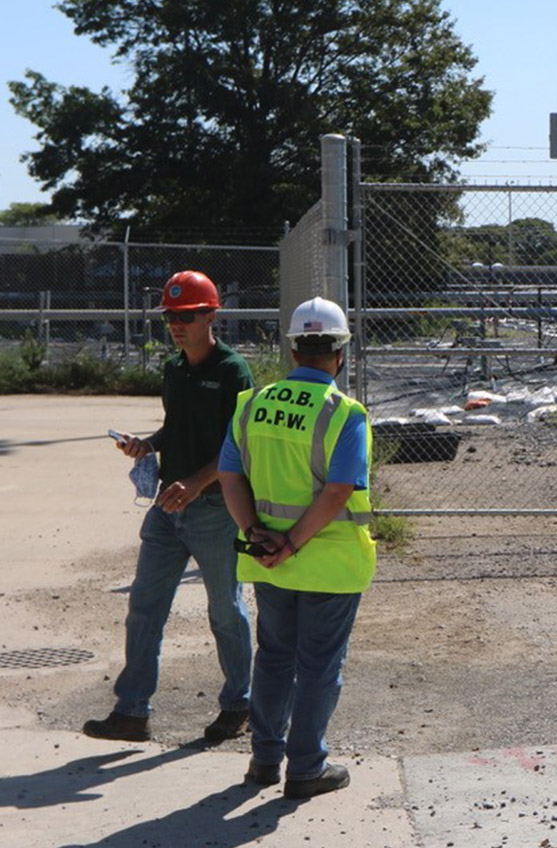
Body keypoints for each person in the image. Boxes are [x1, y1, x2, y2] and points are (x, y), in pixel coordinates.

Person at [85, 271, 255, 744]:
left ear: (211, 315)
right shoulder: (175, 369)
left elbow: (237, 443)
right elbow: (176, 427)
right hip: (168, 504)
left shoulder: (231, 370)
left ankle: (239, 703)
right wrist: (147, 444)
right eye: (170, 316)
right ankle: (132, 711)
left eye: (186, 316)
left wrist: (197, 484)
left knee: (225, 610)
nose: (177, 325)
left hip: (215, 508)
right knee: (144, 606)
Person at [219, 296, 374, 799]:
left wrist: (258, 535)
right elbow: (337, 491)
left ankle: (264, 760)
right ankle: (306, 768)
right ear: (340, 353)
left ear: (292, 350)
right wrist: (291, 543)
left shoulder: (253, 404)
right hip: (328, 565)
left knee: (274, 658)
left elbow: (229, 475)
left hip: (269, 563)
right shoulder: (343, 413)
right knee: (318, 668)